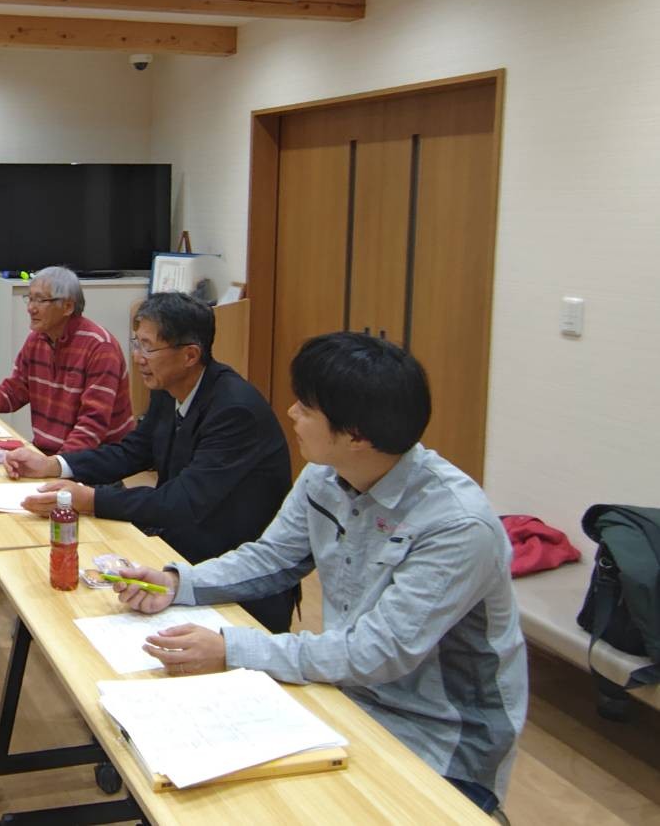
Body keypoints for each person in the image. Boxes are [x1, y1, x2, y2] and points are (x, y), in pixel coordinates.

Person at [113, 332, 526, 815]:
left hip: (437, 740)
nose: (291, 413)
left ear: (357, 436)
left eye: (307, 408)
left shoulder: (456, 525)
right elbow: (272, 558)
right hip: (343, 693)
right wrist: (178, 582)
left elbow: (377, 653)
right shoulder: (327, 473)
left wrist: (232, 648)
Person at [9, 291, 295, 630]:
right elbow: (133, 451)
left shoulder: (234, 410)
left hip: (231, 579)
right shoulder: (168, 388)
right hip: (179, 551)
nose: (137, 357)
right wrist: (56, 464)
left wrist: (91, 499)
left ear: (190, 355)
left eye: (148, 347)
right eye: (136, 343)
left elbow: (181, 501)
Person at [0, 266, 135, 584]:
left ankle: (10, 569)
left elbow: (91, 427)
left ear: (68, 306)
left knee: (71, 542)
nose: (31, 308)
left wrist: (53, 469)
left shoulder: (100, 348)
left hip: (96, 469)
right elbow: (14, 391)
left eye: (40, 300)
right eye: (29, 299)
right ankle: (0, 566)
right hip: (51, 459)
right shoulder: (38, 340)